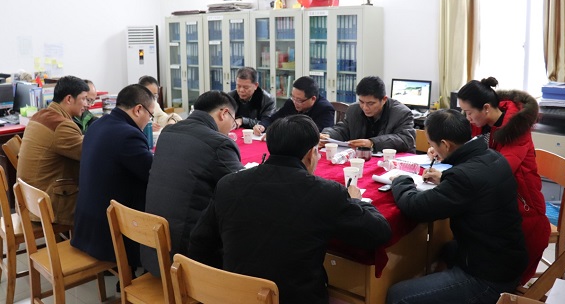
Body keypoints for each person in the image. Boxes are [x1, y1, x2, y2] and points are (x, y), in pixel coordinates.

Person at [188, 115, 392, 304]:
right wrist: (356, 201)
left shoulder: (228, 184)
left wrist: (222, 286)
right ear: (311, 153)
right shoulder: (325, 193)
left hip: (235, 296)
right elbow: (379, 233)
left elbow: (200, 242)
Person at [386, 109, 527, 304]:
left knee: (397, 296)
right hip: (506, 258)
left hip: (489, 277)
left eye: (432, 144)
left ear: (445, 144)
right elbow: (474, 187)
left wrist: (401, 180)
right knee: (444, 249)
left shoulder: (463, 177)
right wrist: (445, 179)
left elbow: (416, 207)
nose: (432, 149)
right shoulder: (492, 156)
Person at [456, 77, 550, 284]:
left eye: (469, 112)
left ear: (486, 108)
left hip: (523, 204)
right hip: (494, 197)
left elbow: (499, 170)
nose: (467, 118)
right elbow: (465, 148)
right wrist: (443, 149)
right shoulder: (481, 124)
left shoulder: (516, 129)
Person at [141, 90, 244, 277]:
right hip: (186, 260)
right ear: (224, 113)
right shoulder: (219, 143)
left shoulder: (168, 132)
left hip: (153, 251)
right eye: (233, 121)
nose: (232, 127)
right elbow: (242, 189)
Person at [70, 84, 155, 266]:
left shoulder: (97, 124)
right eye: (150, 115)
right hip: (107, 233)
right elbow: (153, 174)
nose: (149, 120)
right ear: (138, 110)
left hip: (85, 225)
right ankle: (147, 269)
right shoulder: (129, 135)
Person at [17, 75, 90, 225]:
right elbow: (90, 154)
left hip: (30, 201)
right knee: (105, 203)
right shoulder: (61, 126)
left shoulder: (39, 115)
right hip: (48, 206)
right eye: (84, 99)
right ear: (69, 99)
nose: (86, 104)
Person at [320, 76, 416, 152]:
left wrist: (372, 143)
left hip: (392, 162)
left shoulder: (402, 113)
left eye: (371, 103)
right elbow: (343, 129)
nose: (365, 107)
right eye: (361, 102)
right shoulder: (354, 109)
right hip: (361, 159)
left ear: (384, 100)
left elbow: (406, 139)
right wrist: (328, 135)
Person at [253, 76, 334, 134]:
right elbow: (273, 119)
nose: (295, 102)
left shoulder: (325, 109)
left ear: (313, 99)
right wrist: (262, 126)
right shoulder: (291, 103)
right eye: (293, 97)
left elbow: (318, 134)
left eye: (299, 100)